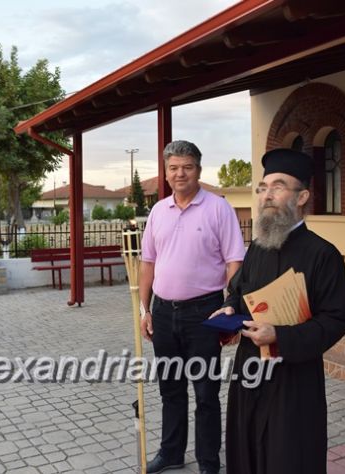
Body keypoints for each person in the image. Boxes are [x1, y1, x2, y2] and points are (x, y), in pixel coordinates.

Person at [211, 148, 345, 474]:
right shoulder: (257, 248)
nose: (267, 195)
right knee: (246, 452)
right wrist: (229, 311)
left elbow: (338, 318)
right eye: (263, 188)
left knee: (288, 456)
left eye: (278, 186)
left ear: (302, 196)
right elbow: (238, 292)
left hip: (294, 380)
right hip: (249, 370)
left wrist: (280, 336)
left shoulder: (323, 254)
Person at [139, 140, 245, 474]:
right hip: (163, 313)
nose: (180, 173)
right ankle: (171, 453)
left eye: (187, 167)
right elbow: (147, 263)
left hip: (205, 313)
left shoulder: (219, 208)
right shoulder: (158, 212)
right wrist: (144, 310)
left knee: (205, 393)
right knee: (170, 389)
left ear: (198, 170)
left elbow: (235, 262)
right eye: (173, 168)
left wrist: (232, 308)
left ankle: (208, 462)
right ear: (165, 172)